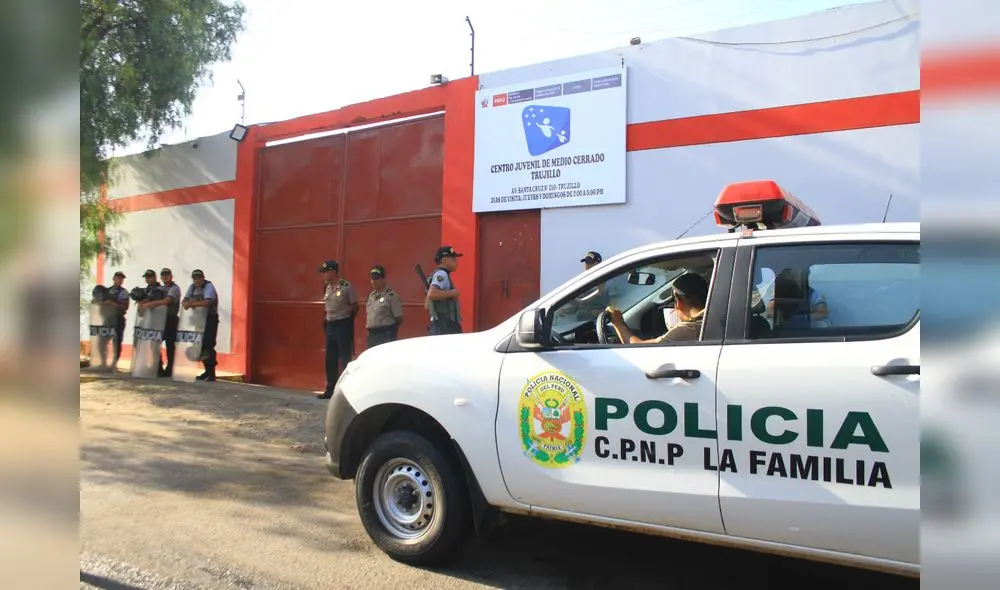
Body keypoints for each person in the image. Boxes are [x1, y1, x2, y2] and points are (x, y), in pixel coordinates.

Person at [607, 272, 708, 344]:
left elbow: (638, 348)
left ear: (679, 302)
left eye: (672, 301)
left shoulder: (689, 329)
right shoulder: (709, 320)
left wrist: (618, 323)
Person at [318, 260, 358, 399]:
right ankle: (330, 389)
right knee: (330, 358)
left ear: (333, 271)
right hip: (330, 325)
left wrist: (346, 320)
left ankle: (346, 391)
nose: (323, 275)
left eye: (325, 272)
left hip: (343, 324)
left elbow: (354, 306)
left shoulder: (346, 287)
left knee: (345, 358)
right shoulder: (326, 286)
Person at [138, 268, 182, 377]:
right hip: (158, 320)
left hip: (170, 319)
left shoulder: (174, 288)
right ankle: (158, 367)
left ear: (171, 276)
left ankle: (170, 369)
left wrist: (150, 304)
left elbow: (167, 301)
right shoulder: (159, 288)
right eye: (163, 275)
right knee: (154, 344)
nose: (165, 277)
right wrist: (143, 302)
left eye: (167, 274)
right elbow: (150, 298)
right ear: (161, 277)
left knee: (170, 346)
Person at [182, 269, 220, 381]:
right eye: (194, 278)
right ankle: (206, 371)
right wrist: (185, 303)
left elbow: (207, 302)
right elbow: (185, 301)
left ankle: (211, 373)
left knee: (208, 344)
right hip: (197, 320)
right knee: (199, 344)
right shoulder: (192, 287)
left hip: (209, 319)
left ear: (203, 278)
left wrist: (191, 304)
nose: (197, 280)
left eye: (199, 278)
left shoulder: (209, 287)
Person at [426, 245, 463, 335]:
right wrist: (452, 293)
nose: (456, 262)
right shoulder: (442, 274)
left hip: (439, 325)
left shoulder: (435, 275)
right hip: (446, 326)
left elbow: (427, 305)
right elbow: (432, 294)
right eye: (453, 259)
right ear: (444, 260)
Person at [365, 264, 404, 349]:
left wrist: (389, 330)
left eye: (376, 278)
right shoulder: (371, 296)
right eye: (372, 279)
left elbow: (399, 318)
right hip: (372, 335)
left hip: (385, 335)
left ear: (383, 278)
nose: (373, 281)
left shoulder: (391, 296)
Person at [103, 271, 130, 369]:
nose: (120, 280)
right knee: (103, 341)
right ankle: (103, 362)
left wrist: (112, 303)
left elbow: (125, 307)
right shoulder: (107, 290)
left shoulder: (124, 292)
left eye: (121, 278)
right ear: (114, 279)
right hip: (107, 319)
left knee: (117, 342)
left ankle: (114, 363)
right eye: (118, 278)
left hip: (118, 318)